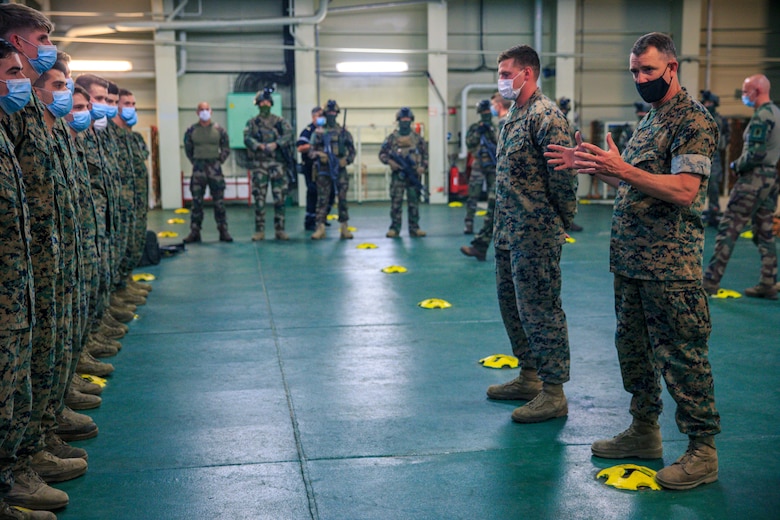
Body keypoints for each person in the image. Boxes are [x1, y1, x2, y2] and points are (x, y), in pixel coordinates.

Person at [545, 32, 721, 490]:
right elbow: (636, 179)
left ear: (672, 67)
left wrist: (622, 170)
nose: (640, 79)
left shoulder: (692, 121)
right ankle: (644, 431)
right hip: (631, 262)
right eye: (635, 72)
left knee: (682, 357)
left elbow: (684, 190)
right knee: (635, 353)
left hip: (670, 266)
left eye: (648, 70)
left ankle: (703, 451)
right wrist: (598, 165)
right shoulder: (651, 119)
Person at [0, 3, 83, 514]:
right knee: (11, 377)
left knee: (34, 359)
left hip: (33, 268)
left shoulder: (24, 114)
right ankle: (14, 472)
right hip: (15, 277)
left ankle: (33, 443)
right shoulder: (19, 113)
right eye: (36, 40)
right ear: (13, 41)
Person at [483, 44, 577, 424]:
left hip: (535, 233)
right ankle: (529, 376)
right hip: (508, 231)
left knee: (541, 310)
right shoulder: (514, 115)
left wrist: (560, 223)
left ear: (528, 73)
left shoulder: (546, 116)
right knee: (513, 307)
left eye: (507, 73)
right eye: (500, 73)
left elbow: (564, 179)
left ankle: (553, 392)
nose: (502, 80)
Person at [0, 38, 56, 520]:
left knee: (18, 380)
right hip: (11, 285)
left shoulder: (10, 128)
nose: (24, 83)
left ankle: (33, 443)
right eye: (14, 73)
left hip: (25, 276)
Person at [703, 75, 779, 300]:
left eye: (746, 91)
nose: (743, 95)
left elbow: (755, 153)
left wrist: (737, 165)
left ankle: (709, 283)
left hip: (753, 180)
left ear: (757, 90)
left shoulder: (762, 116)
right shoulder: (776, 113)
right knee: (764, 232)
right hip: (771, 179)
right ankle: (768, 281)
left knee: (728, 228)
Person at [243, 88, 293, 241]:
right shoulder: (252, 123)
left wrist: (276, 144)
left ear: (271, 103)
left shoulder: (279, 122)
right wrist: (258, 145)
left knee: (280, 198)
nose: (264, 104)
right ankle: (260, 230)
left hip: (277, 164)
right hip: (260, 165)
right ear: (258, 104)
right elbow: (247, 138)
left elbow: (289, 134)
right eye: (262, 102)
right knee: (259, 198)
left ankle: (280, 230)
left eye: (267, 101)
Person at [182, 101, 232, 243]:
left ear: (211, 111)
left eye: (206, 109)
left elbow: (226, 147)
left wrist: (218, 161)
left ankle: (223, 231)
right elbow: (188, 148)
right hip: (198, 169)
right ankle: (195, 232)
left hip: (215, 169)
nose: (204, 112)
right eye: (201, 109)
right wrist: (196, 161)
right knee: (196, 202)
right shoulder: (191, 130)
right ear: (197, 113)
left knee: (219, 202)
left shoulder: (219, 130)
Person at [308, 99, 356, 240]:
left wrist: (345, 161)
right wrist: (319, 155)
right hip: (323, 170)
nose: (331, 114)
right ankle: (320, 228)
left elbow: (352, 152)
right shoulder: (318, 132)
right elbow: (310, 152)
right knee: (322, 200)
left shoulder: (343, 133)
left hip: (339, 170)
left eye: (333, 112)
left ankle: (344, 228)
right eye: (328, 112)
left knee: (342, 199)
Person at [378, 106, 428, 238]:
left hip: (413, 175)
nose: (405, 121)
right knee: (396, 203)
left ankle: (414, 228)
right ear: (398, 121)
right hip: (398, 176)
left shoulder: (418, 139)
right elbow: (382, 154)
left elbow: (425, 155)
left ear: (411, 120)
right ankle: (394, 228)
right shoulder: (392, 138)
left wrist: (423, 167)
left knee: (414, 203)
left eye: (407, 119)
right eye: (402, 119)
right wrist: (390, 162)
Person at [461, 100, 496, 237]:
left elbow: (501, 142)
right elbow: (469, 143)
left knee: (494, 196)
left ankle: (492, 224)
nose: (486, 114)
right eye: (484, 112)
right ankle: (468, 222)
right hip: (479, 164)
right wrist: (478, 133)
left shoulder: (496, 127)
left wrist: (491, 132)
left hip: (493, 164)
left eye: (488, 112)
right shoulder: (474, 128)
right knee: (473, 194)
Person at [700, 90, 730, 227]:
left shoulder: (718, 119)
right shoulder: (700, 118)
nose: (707, 105)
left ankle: (714, 210)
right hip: (699, 156)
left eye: (709, 103)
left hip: (714, 157)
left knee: (713, 186)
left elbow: (724, 141)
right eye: (705, 102)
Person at [297, 106, 326, 231]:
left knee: (325, 194)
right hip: (310, 166)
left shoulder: (326, 130)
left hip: (324, 166)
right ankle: (310, 220)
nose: (321, 118)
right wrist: (313, 144)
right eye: (319, 116)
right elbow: (300, 147)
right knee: (312, 192)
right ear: (313, 117)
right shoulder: (308, 131)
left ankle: (321, 219)